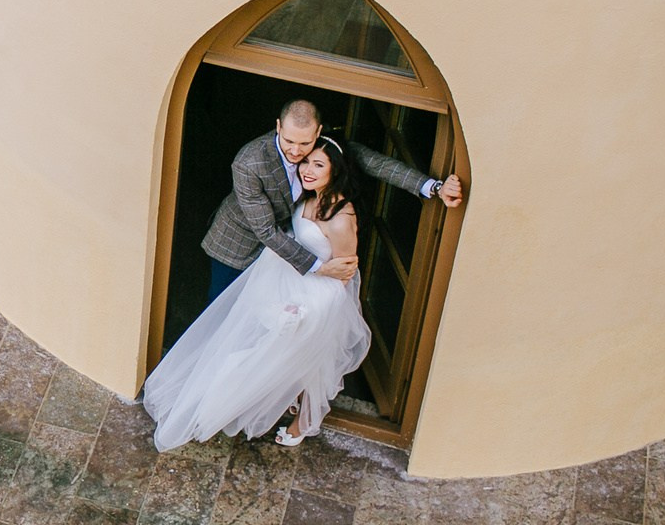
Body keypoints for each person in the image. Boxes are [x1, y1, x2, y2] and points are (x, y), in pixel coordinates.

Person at [143, 135, 370, 448]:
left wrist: (308, 311)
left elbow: (343, 273)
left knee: (300, 360)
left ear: (336, 169)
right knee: (257, 346)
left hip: (312, 299)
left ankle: (303, 421)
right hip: (281, 280)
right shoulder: (306, 195)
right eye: (305, 161)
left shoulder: (342, 218)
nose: (307, 169)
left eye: (318, 164)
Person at [200, 99, 461, 307]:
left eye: (304, 143)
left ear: (318, 132)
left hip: (290, 247)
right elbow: (266, 231)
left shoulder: (323, 148)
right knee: (222, 310)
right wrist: (320, 268)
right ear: (278, 127)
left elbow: (376, 163)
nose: (295, 151)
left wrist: (434, 187)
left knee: (265, 316)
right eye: (288, 141)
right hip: (238, 243)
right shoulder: (248, 162)